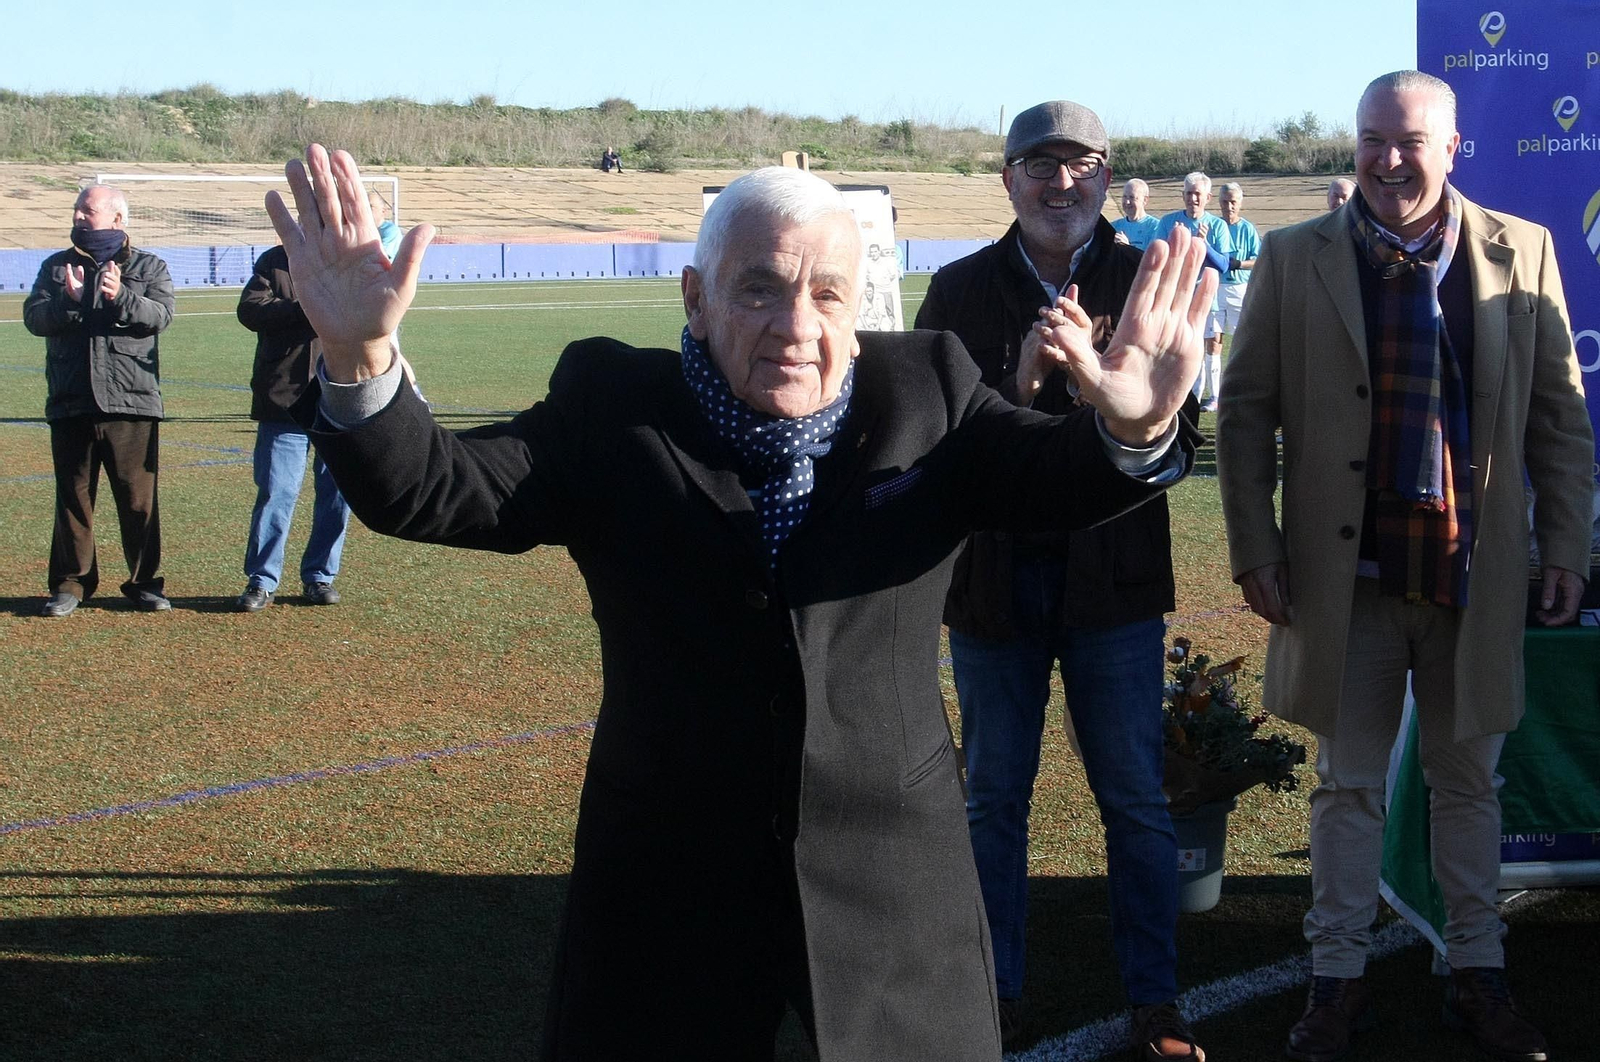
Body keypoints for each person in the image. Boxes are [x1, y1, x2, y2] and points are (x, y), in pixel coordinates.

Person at [264, 143, 1214, 1062]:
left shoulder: (929, 391)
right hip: (667, 878)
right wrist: (361, 353)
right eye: (759, 286)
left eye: (827, 292)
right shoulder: (614, 406)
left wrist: (1137, 428)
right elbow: (432, 485)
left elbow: (1058, 478)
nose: (797, 323)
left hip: (889, 876)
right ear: (697, 298)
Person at [1217, 70, 1593, 1062]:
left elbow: (1558, 420)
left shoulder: (1524, 253)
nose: (1388, 160)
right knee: (1345, 787)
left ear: (1453, 147)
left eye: (1410, 142)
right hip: (1351, 584)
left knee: (1468, 785)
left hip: (1476, 575)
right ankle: (1332, 984)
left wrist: (1565, 545)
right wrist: (1255, 544)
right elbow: (1245, 411)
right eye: (1371, 139)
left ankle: (1476, 975)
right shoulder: (1296, 259)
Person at [915, 99, 1205, 1061]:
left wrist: (1127, 413)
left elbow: (1179, 451)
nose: (1062, 183)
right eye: (1040, 164)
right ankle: (991, 994)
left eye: (1082, 165)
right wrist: (1025, 384)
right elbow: (935, 451)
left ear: (1107, 178)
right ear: (1007, 179)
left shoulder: (1144, 279)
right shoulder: (957, 291)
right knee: (994, 797)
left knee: (1133, 796)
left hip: (1113, 587)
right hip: (993, 587)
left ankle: (1155, 1000)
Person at [23, 185, 175, 617]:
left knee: (138, 500)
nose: (77, 217)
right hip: (71, 400)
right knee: (74, 497)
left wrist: (120, 297)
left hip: (133, 403)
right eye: (76, 210)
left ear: (117, 219)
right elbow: (34, 318)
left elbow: (160, 316)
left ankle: (145, 583)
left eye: (86, 211)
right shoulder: (56, 267)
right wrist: (68, 302)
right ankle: (71, 584)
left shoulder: (149, 265)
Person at [233, 244, 353, 611]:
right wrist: (305, 308)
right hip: (283, 397)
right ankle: (261, 579)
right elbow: (250, 309)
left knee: (337, 494)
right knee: (275, 491)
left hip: (339, 396)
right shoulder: (274, 260)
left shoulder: (348, 257)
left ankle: (320, 576)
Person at [1156, 173, 1234, 410]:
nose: (1193, 199)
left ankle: (1207, 396)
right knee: (1176, 346)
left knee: (1204, 346)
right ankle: (1180, 396)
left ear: (1208, 197)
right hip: (1175, 297)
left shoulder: (1217, 226)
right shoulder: (1168, 222)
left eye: (1197, 194)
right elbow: (1157, 257)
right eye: (1188, 194)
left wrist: (1204, 244)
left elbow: (1223, 264)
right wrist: (1174, 243)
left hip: (1205, 299)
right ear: (1183, 196)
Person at [1212, 182, 1261, 404]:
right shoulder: (1213, 226)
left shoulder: (1247, 229)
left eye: (1233, 202)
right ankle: (1214, 394)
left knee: (1243, 340)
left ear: (1239, 203)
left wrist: (1239, 263)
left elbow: (1258, 259)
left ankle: (1243, 388)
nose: (1228, 206)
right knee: (1213, 339)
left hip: (1239, 288)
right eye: (1224, 202)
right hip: (1214, 287)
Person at [1112, 177, 1161, 250]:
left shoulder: (1156, 227)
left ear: (1145, 200)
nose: (1127, 202)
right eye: (1125, 197)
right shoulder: (1114, 226)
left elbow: (1150, 259)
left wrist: (1127, 248)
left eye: (1132, 197)